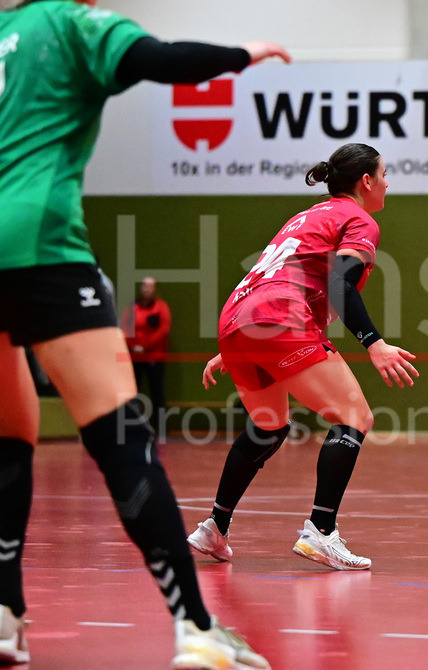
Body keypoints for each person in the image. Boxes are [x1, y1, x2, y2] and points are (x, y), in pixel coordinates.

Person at [0, 1, 290, 667]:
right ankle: (196, 626)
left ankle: (4, 612)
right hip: (38, 241)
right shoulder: (73, 23)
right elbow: (160, 61)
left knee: (8, 438)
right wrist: (240, 54)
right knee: (124, 443)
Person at [187, 143, 418, 572]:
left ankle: (214, 527)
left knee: (268, 425)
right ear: (366, 181)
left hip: (239, 316)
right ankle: (321, 531)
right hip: (277, 318)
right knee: (354, 418)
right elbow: (338, 285)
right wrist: (374, 343)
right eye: (384, 174)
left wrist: (239, 344)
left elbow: (281, 277)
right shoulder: (358, 219)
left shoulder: (306, 216)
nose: (388, 182)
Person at [122, 277, 172, 421]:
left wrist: (145, 346)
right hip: (135, 356)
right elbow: (125, 327)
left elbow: (163, 329)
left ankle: (160, 425)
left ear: (155, 289)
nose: (147, 289)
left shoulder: (161, 307)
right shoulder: (132, 307)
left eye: (150, 286)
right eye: (144, 286)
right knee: (133, 391)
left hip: (154, 357)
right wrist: (133, 346)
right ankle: (134, 424)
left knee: (157, 390)